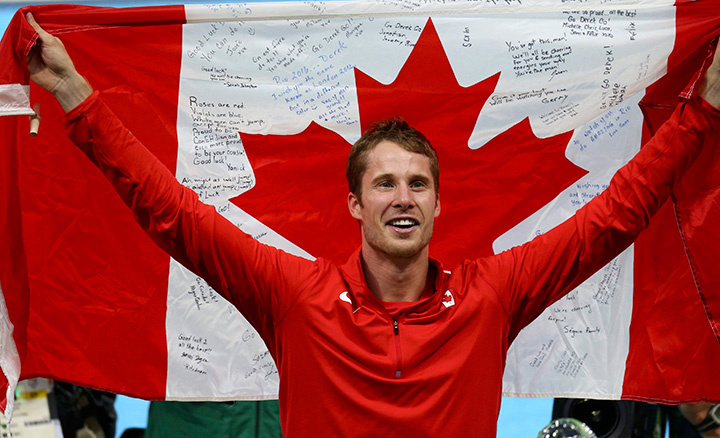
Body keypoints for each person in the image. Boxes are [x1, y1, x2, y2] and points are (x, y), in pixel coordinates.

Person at [24, 11, 720, 438]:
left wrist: (706, 110)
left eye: (418, 182)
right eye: (383, 182)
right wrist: (75, 97)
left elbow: (615, 214)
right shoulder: (293, 297)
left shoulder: (491, 295)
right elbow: (170, 212)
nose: (402, 196)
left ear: (439, 204)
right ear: (355, 204)